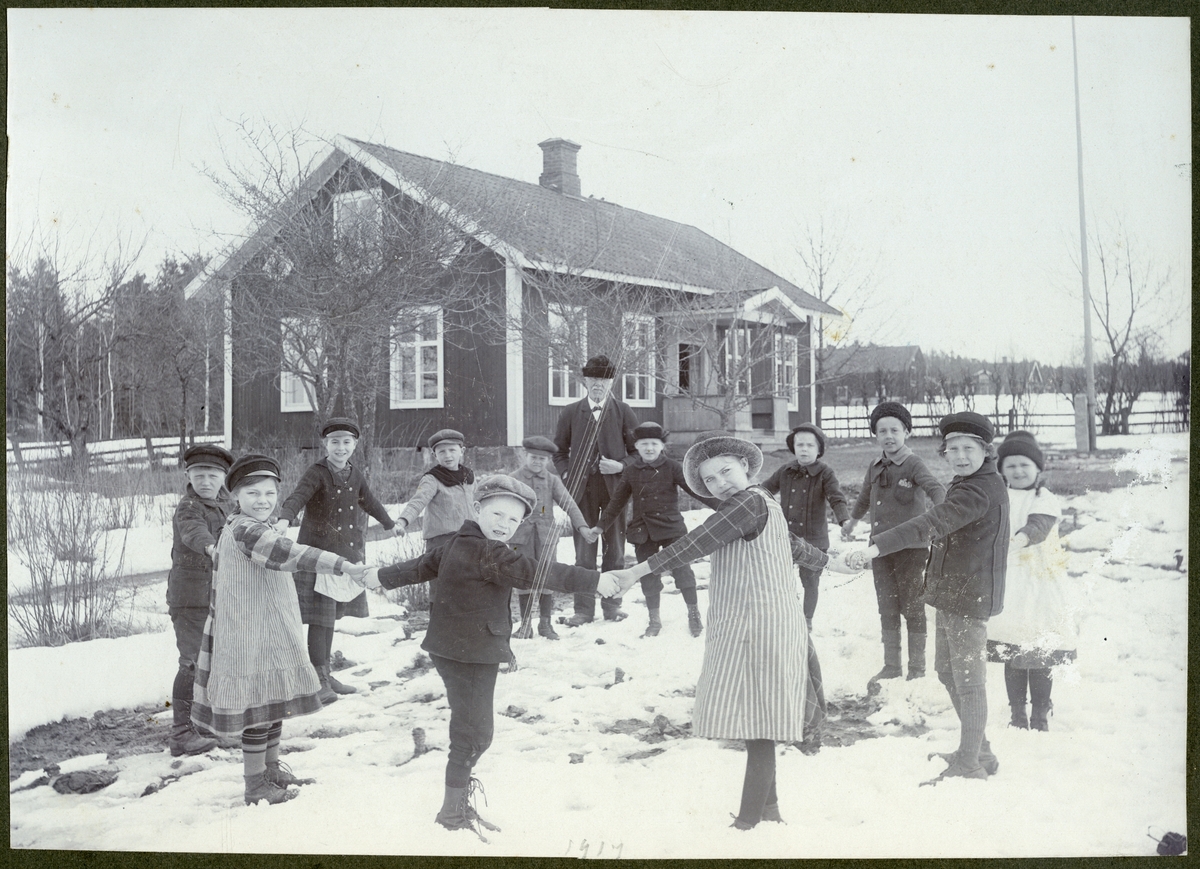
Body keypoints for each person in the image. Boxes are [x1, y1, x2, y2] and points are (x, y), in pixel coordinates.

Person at [604, 431, 847, 829]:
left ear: (746, 467)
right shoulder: (763, 502)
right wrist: (834, 563)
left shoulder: (747, 502)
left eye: (726, 471)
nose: (720, 483)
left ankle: (748, 823)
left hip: (759, 627)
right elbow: (795, 546)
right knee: (759, 722)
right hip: (766, 623)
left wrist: (636, 571)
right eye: (710, 480)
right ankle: (768, 811)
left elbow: (697, 542)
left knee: (760, 725)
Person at [364, 475, 610, 841]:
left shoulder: (456, 542)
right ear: (477, 508)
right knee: (474, 735)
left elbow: (420, 566)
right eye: (497, 514)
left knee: (471, 731)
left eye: (513, 520)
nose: (504, 524)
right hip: (470, 654)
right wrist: (594, 581)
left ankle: (456, 804)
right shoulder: (489, 552)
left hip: (453, 649)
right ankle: (452, 812)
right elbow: (538, 572)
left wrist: (380, 576)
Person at [843, 412, 1009, 783]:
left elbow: (932, 522)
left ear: (986, 451)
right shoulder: (969, 480)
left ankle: (970, 764)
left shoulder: (980, 488)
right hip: (951, 592)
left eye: (969, 449)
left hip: (969, 596)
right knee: (948, 672)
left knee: (969, 682)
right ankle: (978, 751)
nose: (960, 456)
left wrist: (875, 548)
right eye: (953, 449)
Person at [191, 454, 366, 806]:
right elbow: (291, 553)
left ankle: (271, 770)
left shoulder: (261, 524)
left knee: (274, 701)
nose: (263, 500)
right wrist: (342, 565)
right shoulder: (246, 529)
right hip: (247, 634)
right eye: (253, 493)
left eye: (270, 493)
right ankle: (255, 783)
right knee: (258, 706)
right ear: (235, 496)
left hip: (268, 628)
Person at [275, 418, 397, 704]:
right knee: (320, 619)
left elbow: (369, 500)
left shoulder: (355, 474)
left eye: (346, 442)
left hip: (344, 558)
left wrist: (389, 524)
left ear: (355, 445)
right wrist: (284, 520)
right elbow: (297, 497)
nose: (340, 448)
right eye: (334, 442)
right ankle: (316, 680)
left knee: (329, 619)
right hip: (318, 559)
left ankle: (325, 675)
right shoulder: (316, 472)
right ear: (325, 444)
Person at [841, 401, 945, 688]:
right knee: (886, 606)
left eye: (895, 430)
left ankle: (917, 669)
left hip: (911, 549)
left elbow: (936, 489)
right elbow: (864, 497)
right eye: (882, 431)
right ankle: (891, 666)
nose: (888, 436)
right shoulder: (875, 466)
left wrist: (944, 515)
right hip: (879, 549)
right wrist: (852, 522)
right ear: (875, 434)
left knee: (912, 606)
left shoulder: (913, 463)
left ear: (907, 432)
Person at [985, 430, 1073, 731]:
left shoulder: (1044, 499)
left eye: (1025, 465)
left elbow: (1038, 526)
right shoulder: (999, 498)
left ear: (1038, 468)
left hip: (1041, 583)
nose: (1018, 471)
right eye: (1010, 465)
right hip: (1010, 583)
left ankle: (1040, 711)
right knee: (1013, 647)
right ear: (1001, 470)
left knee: (1038, 649)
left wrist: (1018, 540)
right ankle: (1017, 712)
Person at [598, 421, 721, 638]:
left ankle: (694, 615)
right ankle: (654, 620)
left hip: (672, 529)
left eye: (654, 444)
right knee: (648, 576)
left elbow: (695, 491)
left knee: (683, 572)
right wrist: (599, 527)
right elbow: (617, 502)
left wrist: (723, 507)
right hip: (643, 533)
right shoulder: (631, 471)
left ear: (662, 446)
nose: (649, 448)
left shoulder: (673, 467)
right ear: (636, 446)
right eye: (644, 444)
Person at [553, 354, 639, 625]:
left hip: (616, 492)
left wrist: (620, 466)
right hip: (582, 493)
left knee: (615, 551)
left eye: (604, 379)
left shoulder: (623, 411)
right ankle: (583, 610)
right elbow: (558, 451)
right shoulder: (570, 412)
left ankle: (612, 607)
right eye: (593, 378)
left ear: (611, 382)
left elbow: (637, 453)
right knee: (584, 553)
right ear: (585, 381)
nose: (598, 384)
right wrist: (567, 474)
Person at [166, 443, 234, 757]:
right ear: (188, 476)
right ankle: (181, 733)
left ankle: (205, 725)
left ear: (223, 478)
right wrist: (210, 547)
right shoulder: (189, 507)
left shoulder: (226, 505)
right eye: (199, 475)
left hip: (217, 598)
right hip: (190, 600)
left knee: (214, 662)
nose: (206, 482)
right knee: (192, 662)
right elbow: (193, 532)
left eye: (213, 475)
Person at [508, 435, 600, 640]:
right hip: (519, 538)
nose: (537, 462)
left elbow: (569, 504)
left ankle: (545, 624)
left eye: (542, 459)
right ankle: (525, 626)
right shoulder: (513, 479)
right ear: (525, 455)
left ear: (548, 460)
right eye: (533, 457)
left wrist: (583, 527)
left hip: (546, 538)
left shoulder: (552, 480)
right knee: (522, 577)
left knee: (547, 577)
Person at [762, 423, 851, 631]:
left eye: (810, 445)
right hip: (785, 538)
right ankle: (787, 615)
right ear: (793, 447)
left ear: (819, 449)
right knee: (780, 579)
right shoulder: (785, 471)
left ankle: (807, 620)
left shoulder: (825, 473)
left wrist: (844, 520)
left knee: (810, 581)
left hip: (814, 539)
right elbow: (764, 490)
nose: (804, 449)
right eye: (799, 445)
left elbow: (836, 498)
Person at [395, 428, 478, 551]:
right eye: (442, 451)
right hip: (442, 542)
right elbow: (418, 501)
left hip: (470, 538)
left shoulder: (469, 476)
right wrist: (402, 521)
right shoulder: (432, 479)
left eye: (452, 450)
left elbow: (479, 504)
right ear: (435, 455)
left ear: (462, 451)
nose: (448, 455)